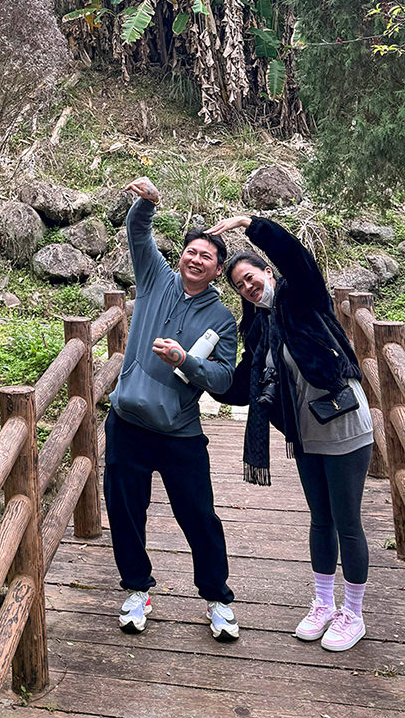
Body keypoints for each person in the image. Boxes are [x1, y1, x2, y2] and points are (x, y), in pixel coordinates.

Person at [208, 213, 374, 652]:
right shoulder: (260, 327)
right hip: (304, 432)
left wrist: (252, 224)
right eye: (239, 286)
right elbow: (241, 386)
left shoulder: (302, 296)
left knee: (347, 521)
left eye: (250, 278)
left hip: (343, 424)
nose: (247, 288)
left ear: (266, 270)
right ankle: (322, 603)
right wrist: (189, 369)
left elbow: (299, 260)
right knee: (321, 520)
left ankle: (352, 613)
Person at [105, 177, 240, 641]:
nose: (195, 259)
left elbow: (223, 379)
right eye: (191, 251)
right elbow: (138, 235)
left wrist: (187, 361)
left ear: (217, 270)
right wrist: (148, 203)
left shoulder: (222, 319)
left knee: (199, 515)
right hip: (126, 422)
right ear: (180, 257)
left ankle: (218, 597)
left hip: (180, 432)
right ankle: (137, 589)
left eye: (206, 256)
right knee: (125, 511)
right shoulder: (156, 279)